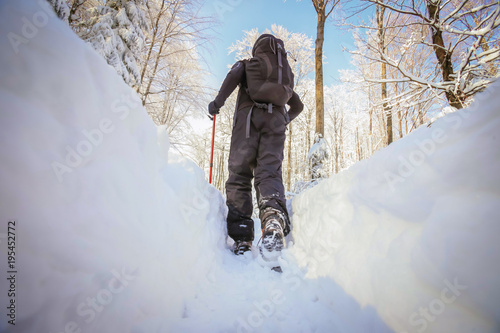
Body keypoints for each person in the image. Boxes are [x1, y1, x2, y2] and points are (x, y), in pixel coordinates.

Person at [208, 34, 303, 257]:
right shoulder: (283, 79)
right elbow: (298, 105)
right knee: (269, 173)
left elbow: (233, 77)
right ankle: (272, 220)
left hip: (247, 124)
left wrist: (216, 104)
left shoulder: (249, 65)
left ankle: (242, 237)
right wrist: (283, 119)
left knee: (240, 174)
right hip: (276, 124)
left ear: (256, 49)